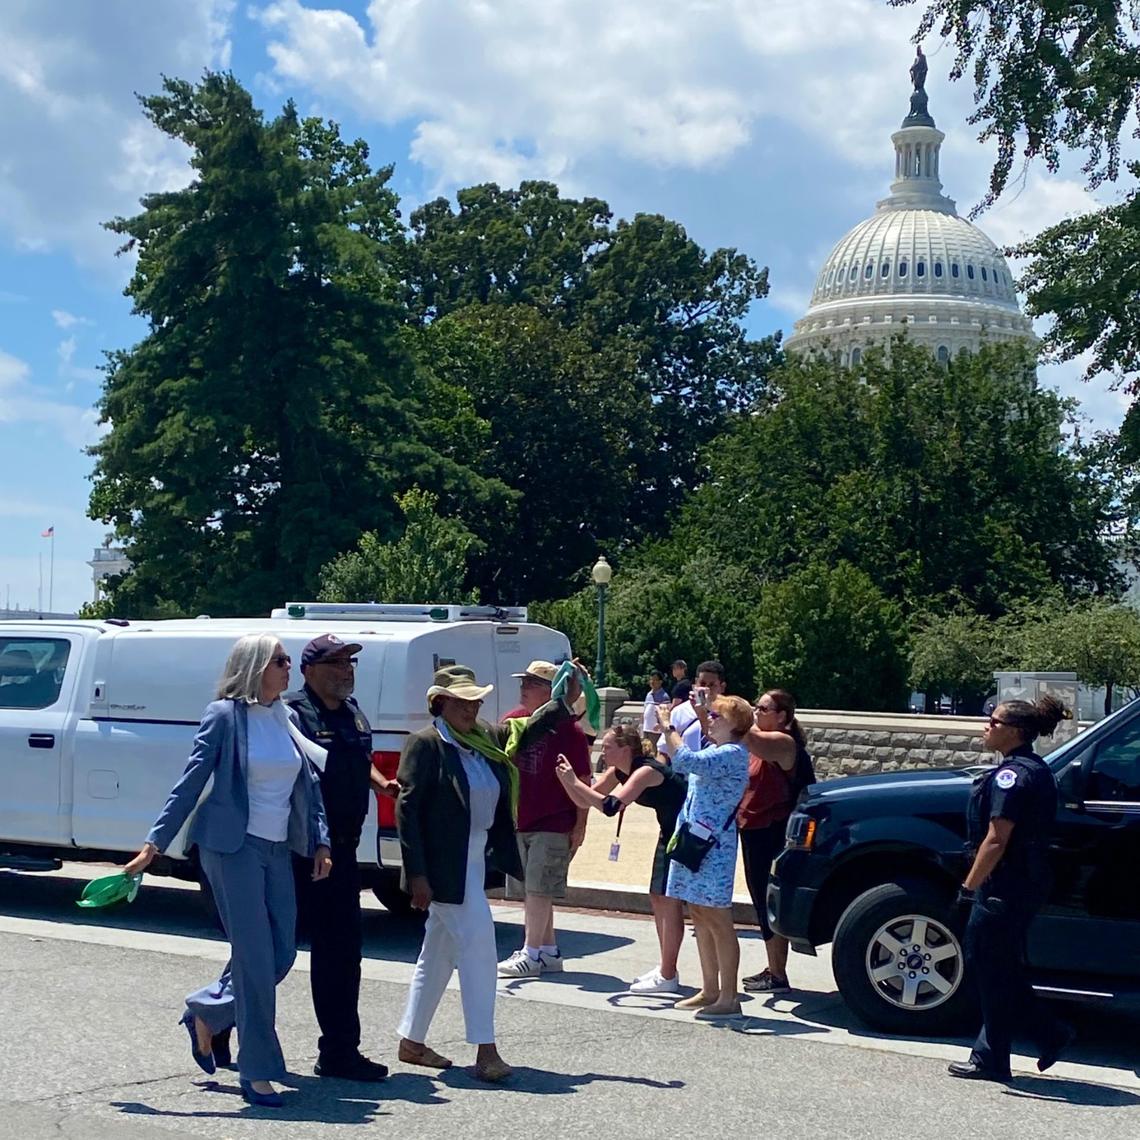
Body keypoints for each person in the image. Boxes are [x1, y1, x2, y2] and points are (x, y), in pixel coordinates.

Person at [125, 634, 331, 1109]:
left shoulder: (288, 717)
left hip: (277, 850)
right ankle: (257, 1072)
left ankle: (207, 1011)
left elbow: (308, 786)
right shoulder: (225, 716)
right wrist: (154, 844)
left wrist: (319, 839)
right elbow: (190, 781)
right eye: (280, 661)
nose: (288, 669)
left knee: (280, 953)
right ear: (256, 666)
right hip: (230, 847)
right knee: (255, 959)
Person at [395, 663, 580, 1082]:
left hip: (474, 858)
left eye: (475, 700)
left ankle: (411, 1040)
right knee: (479, 945)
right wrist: (417, 874)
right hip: (443, 866)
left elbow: (529, 729)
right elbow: (407, 810)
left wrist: (562, 700)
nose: (471, 707)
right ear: (440, 703)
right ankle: (486, 1049)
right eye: (463, 700)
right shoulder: (425, 744)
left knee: (438, 954)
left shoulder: (486, 740)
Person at [286, 634, 398, 1083]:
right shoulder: (293, 714)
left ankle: (338, 1052)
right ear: (308, 670)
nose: (346, 670)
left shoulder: (352, 713)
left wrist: (379, 782)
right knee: (272, 952)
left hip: (343, 853)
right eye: (335, 663)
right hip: (299, 851)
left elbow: (355, 759)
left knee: (342, 955)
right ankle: (217, 1018)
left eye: (350, 662)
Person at [947, 694, 1075, 1082]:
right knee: (997, 966)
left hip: (1006, 884)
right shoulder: (1032, 769)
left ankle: (1037, 1038)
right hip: (1022, 881)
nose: (987, 726)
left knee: (989, 963)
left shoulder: (1013, 776)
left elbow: (996, 839)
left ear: (1015, 732)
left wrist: (969, 888)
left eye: (994, 722)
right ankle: (1009, 1049)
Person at [555, 723, 688, 993]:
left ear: (625, 749)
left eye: (608, 746)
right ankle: (666, 969)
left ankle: (668, 974)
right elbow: (585, 801)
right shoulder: (619, 772)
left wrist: (573, 783)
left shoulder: (645, 770)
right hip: (669, 831)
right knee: (657, 896)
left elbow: (610, 806)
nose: (603, 751)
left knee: (670, 900)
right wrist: (567, 783)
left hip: (687, 831)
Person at [656, 694, 752, 1019]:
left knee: (719, 919)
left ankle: (729, 996)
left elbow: (683, 760)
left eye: (717, 716)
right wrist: (699, 712)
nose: (710, 719)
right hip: (694, 842)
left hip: (714, 848)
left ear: (734, 724)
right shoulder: (715, 749)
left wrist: (668, 724)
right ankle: (710, 989)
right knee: (698, 912)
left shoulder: (732, 754)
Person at [496, 660, 591, 979]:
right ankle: (548, 950)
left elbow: (583, 779)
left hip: (553, 820)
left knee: (538, 888)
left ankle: (531, 952)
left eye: (532, 683)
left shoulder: (571, 731)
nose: (523, 687)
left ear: (553, 690)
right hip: (520, 819)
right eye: (523, 681)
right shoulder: (512, 721)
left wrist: (580, 825)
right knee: (534, 889)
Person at [738, 689, 809, 994]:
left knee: (771, 901)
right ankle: (774, 971)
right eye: (755, 707)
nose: (757, 712)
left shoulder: (783, 742)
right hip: (754, 830)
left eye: (763, 708)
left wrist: (732, 711)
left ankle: (778, 975)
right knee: (760, 899)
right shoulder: (761, 743)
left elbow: (747, 737)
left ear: (782, 716)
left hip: (775, 831)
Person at [641, 670, 669, 747]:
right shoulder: (648, 694)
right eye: (651, 679)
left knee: (654, 750)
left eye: (655, 680)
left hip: (656, 730)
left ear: (660, 682)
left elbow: (665, 712)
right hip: (646, 728)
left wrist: (660, 724)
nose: (652, 682)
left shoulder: (664, 696)